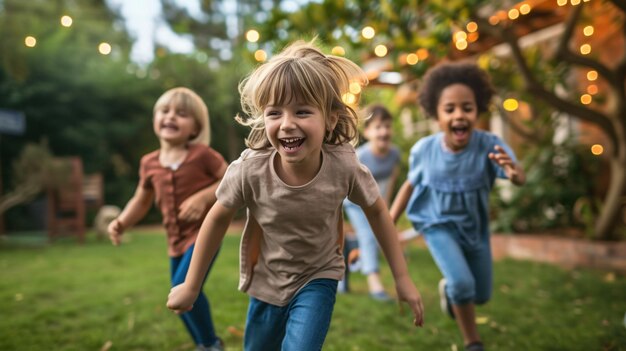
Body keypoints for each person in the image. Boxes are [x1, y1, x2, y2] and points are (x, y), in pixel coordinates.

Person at [166, 41, 424, 351]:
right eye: (275, 113)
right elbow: (218, 217)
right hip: (267, 280)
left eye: (302, 111)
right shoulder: (251, 169)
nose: (287, 124)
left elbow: (377, 211)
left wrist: (402, 277)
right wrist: (192, 284)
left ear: (330, 118)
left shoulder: (343, 165)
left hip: (319, 275)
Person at [389, 62, 526, 351]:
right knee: (464, 284)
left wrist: (514, 174)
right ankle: (472, 341)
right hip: (437, 225)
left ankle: (451, 293)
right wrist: (387, 222)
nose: (459, 115)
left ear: (478, 110)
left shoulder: (490, 145)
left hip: (475, 229)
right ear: (436, 115)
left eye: (467, 107)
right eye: (449, 109)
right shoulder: (425, 150)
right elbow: (409, 186)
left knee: (481, 294)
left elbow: (517, 174)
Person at [108, 87, 228, 351]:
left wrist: (203, 197)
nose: (171, 117)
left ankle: (211, 344)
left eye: (181, 114)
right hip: (175, 241)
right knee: (178, 297)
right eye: (165, 111)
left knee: (183, 287)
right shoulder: (149, 163)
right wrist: (122, 222)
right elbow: (141, 200)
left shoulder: (202, 155)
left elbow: (231, 177)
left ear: (195, 127)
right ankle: (203, 344)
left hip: (204, 234)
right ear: (155, 119)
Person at [340, 104, 401, 301]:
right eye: (377, 127)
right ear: (367, 132)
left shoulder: (394, 155)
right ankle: (375, 285)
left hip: (375, 201)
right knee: (368, 235)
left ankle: (348, 249)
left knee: (373, 237)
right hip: (354, 202)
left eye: (387, 126)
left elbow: (390, 181)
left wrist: (387, 208)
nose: (383, 131)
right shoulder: (362, 156)